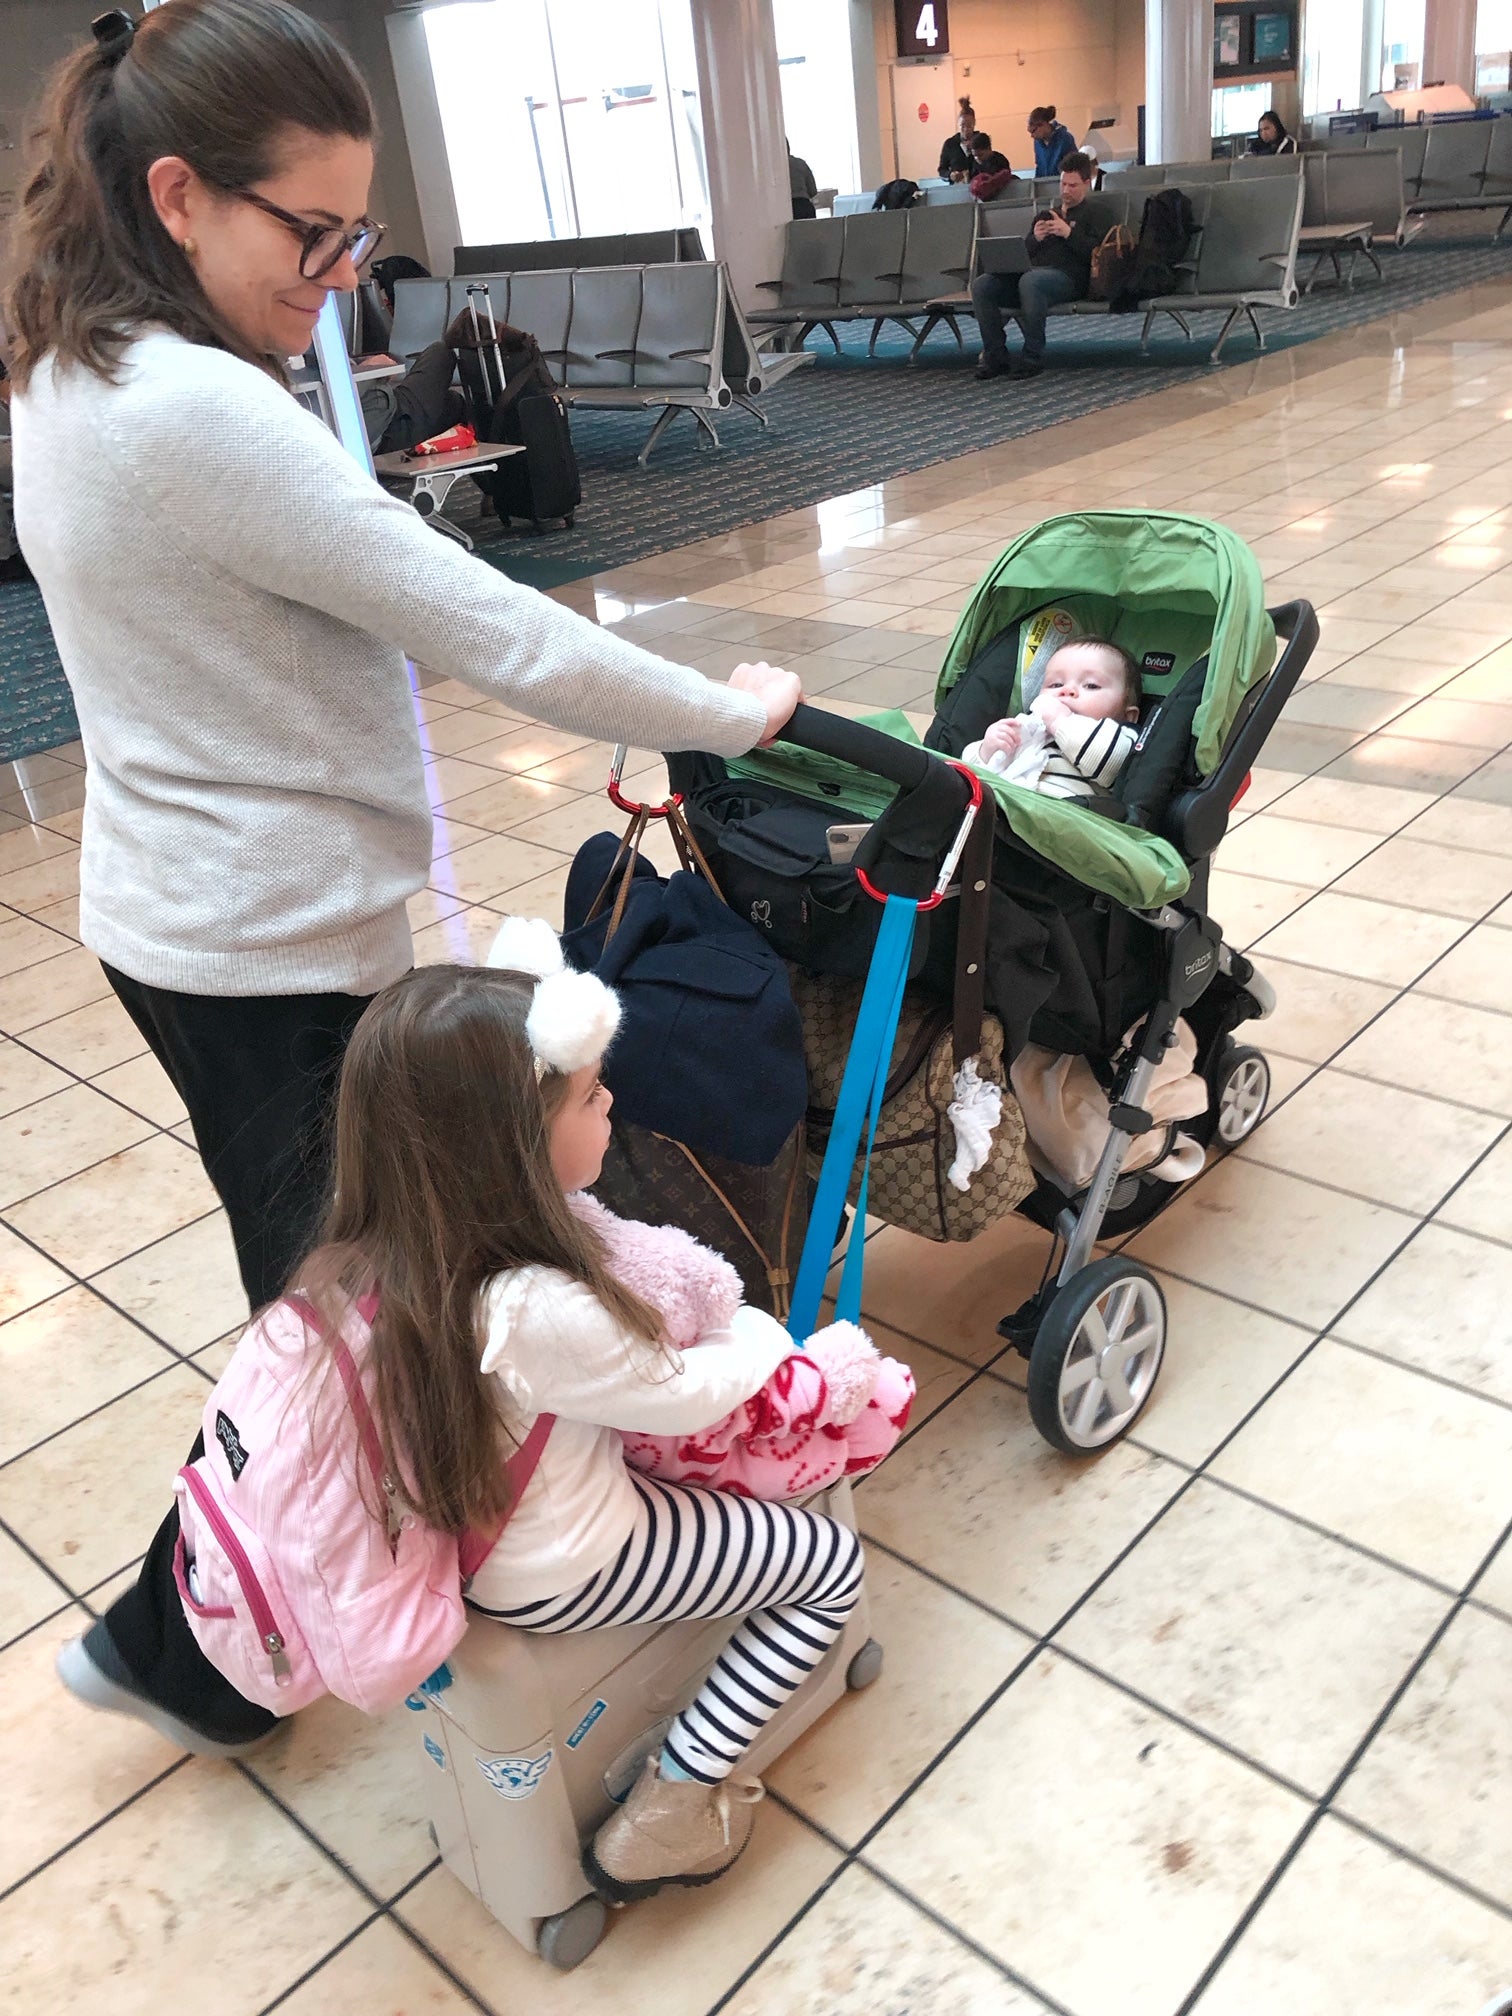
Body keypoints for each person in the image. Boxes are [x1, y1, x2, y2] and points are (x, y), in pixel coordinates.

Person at [4, 0, 800, 1315]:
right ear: (178, 194)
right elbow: (496, 628)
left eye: (352, 232)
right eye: (310, 232)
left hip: (170, 913)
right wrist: (729, 716)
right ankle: (298, 1523)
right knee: (341, 1326)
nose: (339, 271)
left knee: (328, 1292)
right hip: (273, 943)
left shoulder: (66, 361)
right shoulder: (191, 407)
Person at [59, 955, 866, 1901]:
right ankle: (676, 1803)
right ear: (512, 1145)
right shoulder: (529, 1308)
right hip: (570, 1561)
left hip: (476, 1529)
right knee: (823, 1569)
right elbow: (683, 1392)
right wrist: (769, 1340)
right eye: (590, 1095)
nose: (611, 1104)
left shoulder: (372, 1252)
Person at [970, 150, 1115, 379]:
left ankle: (1032, 357)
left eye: (1073, 185)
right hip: (1032, 278)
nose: (1066, 191)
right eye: (1063, 184)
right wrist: (1034, 239)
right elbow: (1025, 255)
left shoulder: (1098, 214)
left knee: (1031, 281)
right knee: (983, 285)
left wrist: (1069, 233)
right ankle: (995, 355)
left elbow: (1100, 255)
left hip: (1071, 279)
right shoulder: (1046, 215)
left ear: (1087, 183)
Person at [961, 638, 1141, 799]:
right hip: (1005, 810)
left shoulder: (1122, 737)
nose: (1066, 690)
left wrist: (1060, 722)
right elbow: (974, 770)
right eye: (1055, 684)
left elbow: (1113, 764)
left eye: (1091, 685)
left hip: (1066, 822)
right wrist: (987, 749)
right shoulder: (1030, 728)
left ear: (1128, 716)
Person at [1028, 106, 1077, 178]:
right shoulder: (1037, 142)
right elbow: (1039, 165)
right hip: (1044, 184)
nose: (1032, 136)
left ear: (1043, 124)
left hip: (1062, 182)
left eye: (1033, 131)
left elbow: (1073, 167)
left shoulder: (1065, 138)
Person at [937, 96, 979, 182]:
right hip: (957, 188)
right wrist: (950, 175)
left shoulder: (981, 140)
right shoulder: (950, 144)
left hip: (979, 186)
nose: (966, 129)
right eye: (962, 126)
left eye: (969, 125)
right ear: (958, 124)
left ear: (974, 123)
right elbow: (942, 170)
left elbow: (988, 164)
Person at [788, 141, 819, 219]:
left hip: (787, 209)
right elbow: (813, 191)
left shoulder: (772, 168)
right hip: (805, 206)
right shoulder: (801, 163)